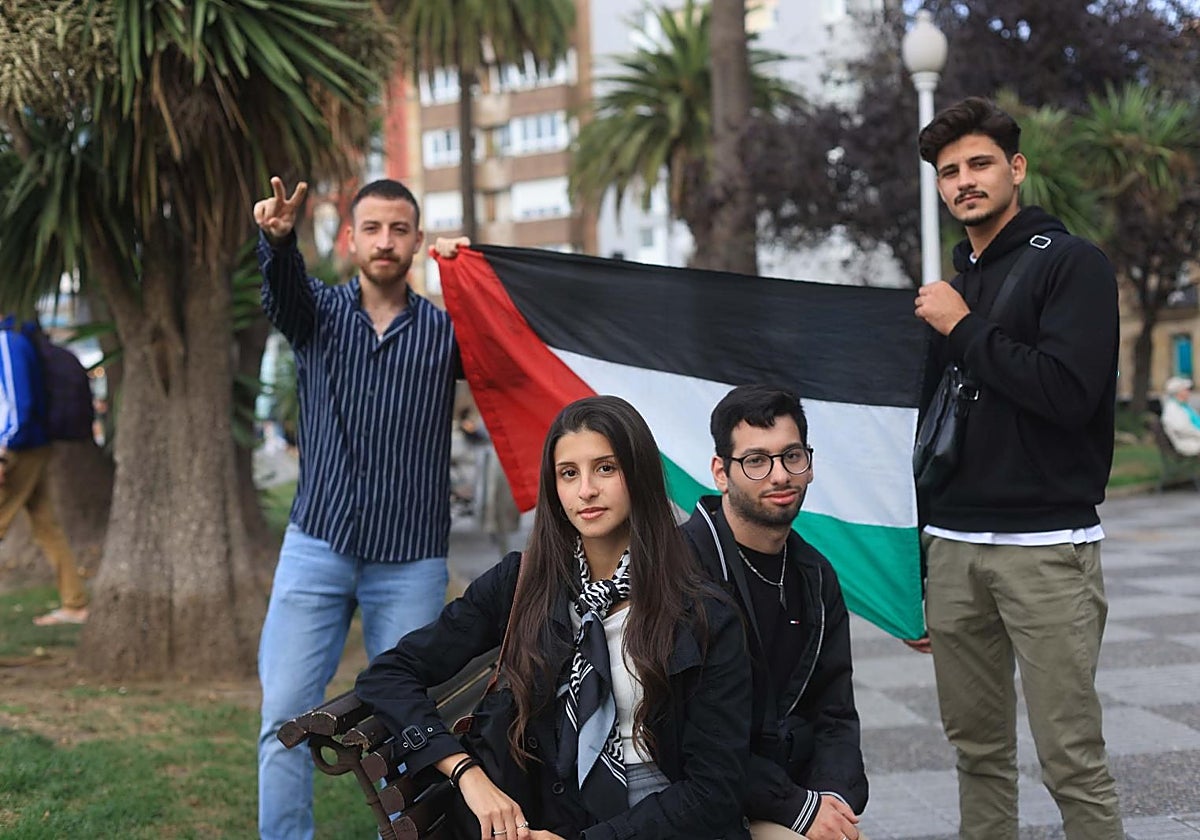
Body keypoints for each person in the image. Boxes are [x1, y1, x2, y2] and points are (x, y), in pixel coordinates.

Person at [356, 395, 752, 840]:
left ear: (638, 474)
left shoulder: (701, 612)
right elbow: (389, 675)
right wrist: (466, 772)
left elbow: (714, 789)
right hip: (545, 819)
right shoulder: (522, 583)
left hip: (661, 824)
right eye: (569, 473)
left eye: (605, 468)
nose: (586, 490)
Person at [912, 97, 1123, 839]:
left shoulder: (1072, 264)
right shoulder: (951, 288)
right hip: (953, 547)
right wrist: (914, 567)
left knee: (1071, 759)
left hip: (1047, 548)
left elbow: (1067, 394)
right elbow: (923, 429)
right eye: (949, 172)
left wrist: (963, 327)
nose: (964, 181)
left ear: (1017, 168)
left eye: (979, 164)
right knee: (977, 755)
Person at [253, 177, 461, 840]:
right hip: (317, 545)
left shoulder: (446, 333)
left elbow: (512, 350)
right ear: (351, 238)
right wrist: (278, 242)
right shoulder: (317, 313)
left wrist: (474, 277)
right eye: (372, 228)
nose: (385, 241)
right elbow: (283, 291)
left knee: (410, 727)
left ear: (417, 241)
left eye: (399, 229)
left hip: (410, 558)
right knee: (283, 717)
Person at [681, 385, 866, 840]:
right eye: (757, 461)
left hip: (788, 791)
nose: (780, 475)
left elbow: (835, 713)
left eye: (792, 456)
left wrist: (833, 798)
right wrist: (799, 809)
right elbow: (687, 735)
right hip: (698, 798)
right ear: (721, 473)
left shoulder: (815, 575)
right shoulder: (682, 569)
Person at [0, 317, 89, 626]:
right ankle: (75, 603)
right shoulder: (20, 338)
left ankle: (75, 603)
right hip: (30, 446)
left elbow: (19, 404)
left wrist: (3, 454)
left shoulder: (7, 340)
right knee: (47, 526)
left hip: (17, 450)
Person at [1160, 376, 1200, 457]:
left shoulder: (1183, 406)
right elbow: (1181, 428)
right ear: (1178, 392)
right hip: (1186, 442)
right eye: (1186, 390)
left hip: (1193, 439)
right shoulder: (1172, 408)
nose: (1189, 392)